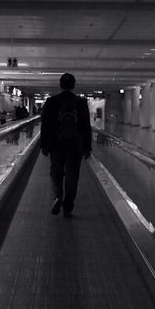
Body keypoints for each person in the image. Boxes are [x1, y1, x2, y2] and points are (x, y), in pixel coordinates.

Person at [39, 72, 92, 218]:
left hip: (57, 144)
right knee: (72, 175)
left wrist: (44, 145)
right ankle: (68, 206)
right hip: (76, 145)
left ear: (60, 85)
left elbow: (45, 125)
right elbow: (87, 126)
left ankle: (57, 196)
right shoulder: (81, 103)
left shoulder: (52, 102)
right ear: (73, 85)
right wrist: (87, 147)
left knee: (56, 172)